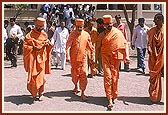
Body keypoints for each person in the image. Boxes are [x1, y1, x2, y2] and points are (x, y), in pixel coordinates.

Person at [95, 15, 130, 109]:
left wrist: (127, 57)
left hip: (115, 59)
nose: (109, 25)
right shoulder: (102, 35)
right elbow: (97, 48)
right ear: (104, 25)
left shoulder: (118, 33)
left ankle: (114, 94)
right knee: (107, 77)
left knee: (114, 77)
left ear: (112, 23)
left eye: (110, 23)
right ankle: (109, 98)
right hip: (105, 58)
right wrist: (95, 60)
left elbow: (124, 44)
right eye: (107, 24)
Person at [23, 17, 53, 102]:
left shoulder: (44, 34)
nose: (40, 28)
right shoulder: (30, 34)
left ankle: (41, 93)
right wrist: (32, 47)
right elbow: (25, 45)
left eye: (41, 27)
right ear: (36, 25)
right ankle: (34, 93)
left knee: (41, 77)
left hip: (42, 59)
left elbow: (48, 44)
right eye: (38, 26)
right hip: (33, 59)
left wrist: (48, 44)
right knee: (33, 76)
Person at [66, 19, 95, 101]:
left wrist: (93, 56)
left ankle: (82, 92)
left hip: (83, 58)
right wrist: (68, 56)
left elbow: (90, 46)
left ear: (83, 27)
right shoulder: (72, 34)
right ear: (75, 26)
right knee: (75, 75)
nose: (79, 29)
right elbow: (68, 45)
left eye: (81, 27)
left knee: (84, 74)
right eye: (78, 27)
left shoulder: (86, 35)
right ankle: (75, 86)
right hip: (74, 59)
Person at [147, 13, 164, 103]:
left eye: (156, 20)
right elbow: (149, 43)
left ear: (160, 20)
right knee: (154, 77)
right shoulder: (152, 31)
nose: (154, 22)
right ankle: (155, 96)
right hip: (153, 58)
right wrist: (148, 47)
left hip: (163, 58)